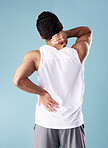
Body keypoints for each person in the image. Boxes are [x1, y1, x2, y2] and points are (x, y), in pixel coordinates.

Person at [13, 11, 92, 148]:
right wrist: (67, 33)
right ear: (61, 25)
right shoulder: (77, 52)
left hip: (45, 123)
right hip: (72, 123)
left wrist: (42, 93)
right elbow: (87, 32)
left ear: (41, 36)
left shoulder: (35, 56)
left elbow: (18, 80)